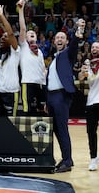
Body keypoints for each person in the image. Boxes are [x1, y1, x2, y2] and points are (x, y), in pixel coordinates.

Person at [46, 18, 85, 173]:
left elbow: (76, 41)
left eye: (62, 37)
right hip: (51, 96)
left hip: (61, 95)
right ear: (54, 42)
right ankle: (66, 158)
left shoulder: (68, 54)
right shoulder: (54, 58)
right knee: (56, 129)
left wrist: (79, 29)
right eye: (57, 38)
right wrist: (46, 100)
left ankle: (67, 161)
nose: (60, 39)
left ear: (66, 42)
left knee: (61, 128)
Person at [17, 0, 46, 116]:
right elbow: (23, 28)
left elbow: (43, 67)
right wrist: (21, 10)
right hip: (27, 83)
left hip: (40, 84)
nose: (31, 32)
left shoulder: (39, 51)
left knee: (42, 111)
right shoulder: (23, 47)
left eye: (33, 33)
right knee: (28, 112)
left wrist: (44, 75)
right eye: (28, 34)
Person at [0, 4, 20, 116]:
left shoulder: (15, 51)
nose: (3, 38)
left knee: (11, 123)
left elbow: (10, 33)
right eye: (2, 37)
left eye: (5, 37)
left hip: (11, 92)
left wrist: (1, 16)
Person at [78, 41, 99, 171]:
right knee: (91, 132)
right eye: (93, 47)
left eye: (97, 47)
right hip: (91, 102)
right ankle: (93, 158)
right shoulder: (88, 65)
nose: (95, 48)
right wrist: (82, 71)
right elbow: (80, 78)